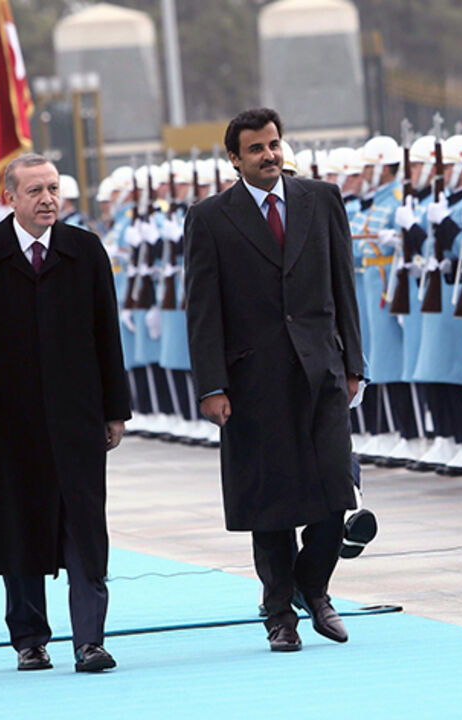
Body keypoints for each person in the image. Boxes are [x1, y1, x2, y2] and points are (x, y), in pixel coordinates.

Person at [0, 153, 130, 673]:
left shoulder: (84, 251)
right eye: (35, 191)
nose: (48, 199)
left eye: (53, 189)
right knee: (18, 525)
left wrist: (116, 410)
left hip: (77, 417)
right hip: (8, 421)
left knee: (85, 529)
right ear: (10, 198)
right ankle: (29, 638)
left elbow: (105, 336)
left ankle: (90, 639)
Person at [184, 107, 363, 652]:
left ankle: (315, 585)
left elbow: (343, 284)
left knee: (336, 493)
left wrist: (353, 363)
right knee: (272, 502)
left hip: (320, 371)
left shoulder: (321, 199)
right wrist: (212, 385)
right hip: (253, 379)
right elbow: (203, 308)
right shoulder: (212, 217)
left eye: (274, 144)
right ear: (234, 159)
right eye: (256, 149)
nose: (269, 155)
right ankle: (279, 612)